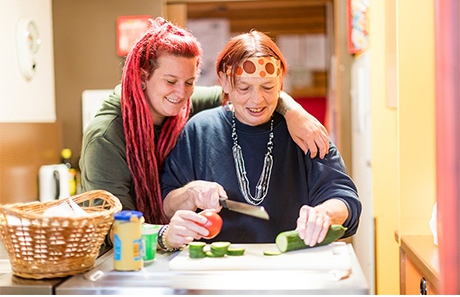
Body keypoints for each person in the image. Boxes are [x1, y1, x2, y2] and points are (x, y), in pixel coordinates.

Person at [79, 18, 330, 250]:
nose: (181, 92)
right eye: (170, 81)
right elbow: (112, 229)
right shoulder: (105, 138)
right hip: (122, 258)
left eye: (189, 82)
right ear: (143, 76)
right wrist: (164, 235)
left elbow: (250, 95)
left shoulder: (184, 103)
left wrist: (295, 113)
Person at [161, 30, 361, 249]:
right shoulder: (199, 130)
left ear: (281, 82)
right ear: (224, 82)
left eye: (268, 87)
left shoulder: (304, 132)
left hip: (293, 263)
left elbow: (345, 200)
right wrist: (191, 193)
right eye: (244, 88)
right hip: (217, 267)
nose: (257, 100)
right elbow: (167, 204)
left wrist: (325, 214)